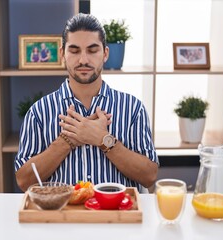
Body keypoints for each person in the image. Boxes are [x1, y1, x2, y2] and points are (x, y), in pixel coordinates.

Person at [15, 13, 159, 192]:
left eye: (92, 50)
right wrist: (68, 140)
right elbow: (23, 181)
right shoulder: (38, 112)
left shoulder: (133, 108)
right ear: (62, 54)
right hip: (62, 216)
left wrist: (102, 139)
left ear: (105, 53)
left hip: (119, 216)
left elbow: (149, 176)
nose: (83, 60)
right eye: (74, 51)